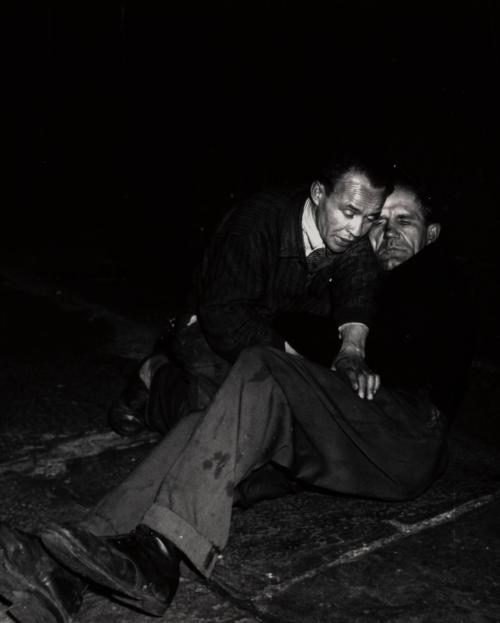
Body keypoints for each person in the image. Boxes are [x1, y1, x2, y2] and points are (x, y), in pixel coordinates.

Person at [0, 176, 475, 623]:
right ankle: (62, 573)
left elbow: (409, 357)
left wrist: (344, 347)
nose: (385, 232)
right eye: (378, 219)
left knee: (261, 364)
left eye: (403, 221)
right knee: (202, 428)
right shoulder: (351, 285)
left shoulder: (435, 280)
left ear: (431, 233)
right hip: (343, 439)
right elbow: (275, 322)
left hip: (407, 433)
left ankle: (161, 552)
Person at [109, 154, 393, 438]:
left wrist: (352, 350)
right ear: (319, 193)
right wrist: (299, 367)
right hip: (211, 328)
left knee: (295, 420)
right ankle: (156, 374)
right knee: (223, 430)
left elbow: (361, 282)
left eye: (370, 218)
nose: (357, 230)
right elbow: (225, 318)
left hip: (278, 327)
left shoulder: (350, 235)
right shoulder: (254, 222)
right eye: (349, 212)